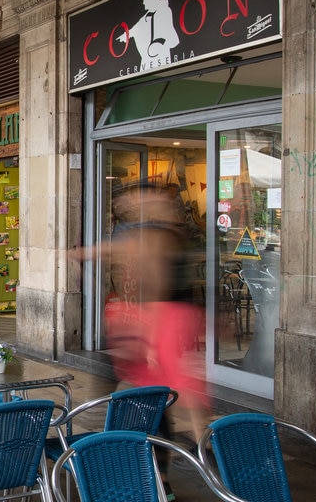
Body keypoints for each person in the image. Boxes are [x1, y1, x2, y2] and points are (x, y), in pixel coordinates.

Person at [72, 181, 207, 502]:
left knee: (153, 393)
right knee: (157, 395)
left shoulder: (157, 236)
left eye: (136, 198)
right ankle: (171, 463)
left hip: (161, 321)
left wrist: (149, 341)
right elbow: (117, 250)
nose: (128, 203)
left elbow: (154, 280)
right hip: (157, 321)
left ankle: (160, 464)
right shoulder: (153, 232)